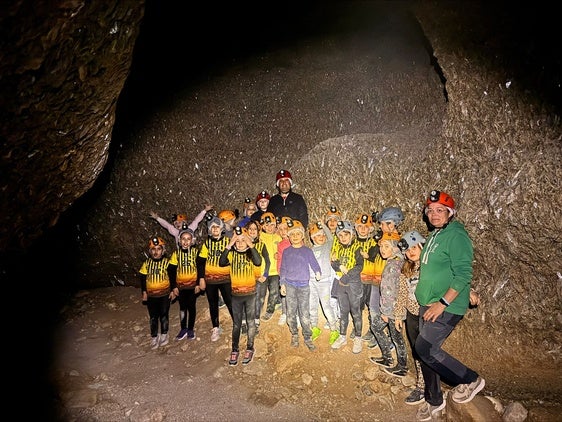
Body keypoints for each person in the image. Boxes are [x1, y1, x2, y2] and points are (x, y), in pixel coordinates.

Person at [414, 190, 485, 422]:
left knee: (425, 348)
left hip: (445, 306)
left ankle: (470, 379)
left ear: (450, 213)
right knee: (425, 353)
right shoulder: (435, 234)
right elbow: (447, 269)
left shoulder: (456, 235)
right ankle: (434, 401)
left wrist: (443, 303)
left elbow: (463, 271)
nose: (434, 214)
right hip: (428, 302)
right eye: (431, 210)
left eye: (440, 210)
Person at [219, 226, 262, 365]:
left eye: (244, 240)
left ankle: (250, 347)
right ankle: (235, 349)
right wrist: (230, 244)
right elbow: (221, 262)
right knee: (236, 324)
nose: (241, 243)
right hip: (236, 295)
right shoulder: (232, 255)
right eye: (238, 241)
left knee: (250, 322)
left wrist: (250, 244)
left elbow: (258, 261)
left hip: (250, 294)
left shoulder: (251, 254)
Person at [368, 232, 408, 378]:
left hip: (393, 310)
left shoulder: (393, 265)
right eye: (381, 246)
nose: (382, 249)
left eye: (386, 246)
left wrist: (385, 312)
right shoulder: (396, 261)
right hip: (391, 308)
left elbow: (390, 292)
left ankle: (402, 367)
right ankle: (387, 357)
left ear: (395, 247)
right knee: (376, 327)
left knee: (397, 338)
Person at [394, 230, 426, 404]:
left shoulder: (430, 267)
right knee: (416, 350)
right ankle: (421, 386)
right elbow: (402, 294)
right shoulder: (406, 270)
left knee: (426, 351)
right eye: (407, 250)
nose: (411, 252)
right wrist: (399, 315)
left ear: (422, 246)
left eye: (414, 247)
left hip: (427, 314)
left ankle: (428, 386)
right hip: (412, 316)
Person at [279, 219, 321, 351]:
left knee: (304, 313)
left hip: (303, 286)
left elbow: (314, 263)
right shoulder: (286, 251)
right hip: (290, 285)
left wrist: (318, 271)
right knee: (291, 312)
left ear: (303, 236)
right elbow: (283, 268)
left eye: (298, 234)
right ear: (288, 237)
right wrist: (282, 284)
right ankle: (294, 334)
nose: (295, 237)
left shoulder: (307, 251)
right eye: (292, 234)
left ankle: (307, 337)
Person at [330, 220, 364, 353]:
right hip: (341, 284)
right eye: (340, 236)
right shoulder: (337, 247)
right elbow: (333, 263)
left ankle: (358, 337)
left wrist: (347, 275)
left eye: (346, 235)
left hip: (353, 284)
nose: (343, 238)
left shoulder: (357, 248)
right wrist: (338, 266)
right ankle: (342, 335)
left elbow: (360, 266)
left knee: (356, 312)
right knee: (343, 311)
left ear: (352, 234)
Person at [197, 216, 233, 342]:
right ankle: (216, 327)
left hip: (225, 278)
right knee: (213, 304)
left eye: (217, 227)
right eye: (212, 227)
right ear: (209, 230)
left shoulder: (228, 241)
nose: (215, 229)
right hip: (211, 279)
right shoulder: (207, 243)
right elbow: (201, 261)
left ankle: (237, 323)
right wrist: (201, 278)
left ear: (222, 228)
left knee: (229, 301)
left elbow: (234, 259)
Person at [139, 236, 178, 349]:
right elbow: (142, 277)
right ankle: (154, 336)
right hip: (151, 296)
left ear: (163, 250)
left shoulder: (167, 262)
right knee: (153, 317)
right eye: (153, 249)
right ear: (150, 251)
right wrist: (144, 292)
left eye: (158, 249)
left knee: (164, 315)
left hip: (164, 294)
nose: (156, 252)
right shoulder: (147, 263)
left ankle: (165, 334)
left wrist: (172, 290)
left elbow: (172, 277)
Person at [308, 221, 339, 345]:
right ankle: (314, 327)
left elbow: (331, 237)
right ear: (312, 238)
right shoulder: (309, 250)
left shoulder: (327, 246)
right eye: (317, 235)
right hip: (311, 282)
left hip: (324, 282)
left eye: (322, 235)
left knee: (326, 306)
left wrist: (323, 225)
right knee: (312, 305)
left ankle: (334, 329)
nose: (321, 237)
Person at [170, 226, 202, 341]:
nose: (185, 241)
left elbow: (200, 268)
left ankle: (191, 329)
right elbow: (172, 271)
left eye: (188, 239)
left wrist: (198, 283)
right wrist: (173, 286)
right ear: (179, 241)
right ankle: (183, 328)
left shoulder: (196, 253)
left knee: (191, 307)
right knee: (182, 308)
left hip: (192, 286)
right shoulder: (176, 254)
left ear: (192, 241)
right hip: (181, 287)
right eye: (183, 239)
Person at [354, 213, 380, 347]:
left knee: (371, 306)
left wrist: (368, 255)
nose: (363, 229)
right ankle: (357, 327)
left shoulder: (374, 242)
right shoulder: (353, 241)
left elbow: (374, 256)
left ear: (370, 228)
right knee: (357, 305)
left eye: (366, 226)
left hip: (370, 280)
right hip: (357, 280)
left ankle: (372, 330)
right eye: (360, 226)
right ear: (356, 228)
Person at [244, 219, 270, 334]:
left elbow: (268, 261)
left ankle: (256, 321)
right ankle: (245, 322)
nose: (253, 231)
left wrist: (265, 274)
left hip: (260, 277)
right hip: (246, 278)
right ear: (246, 230)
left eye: (255, 229)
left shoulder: (261, 245)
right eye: (250, 229)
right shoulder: (241, 244)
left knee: (259, 299)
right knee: (246, 300)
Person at [256, 212, 282, 323]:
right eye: (266, 225)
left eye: (271, 224)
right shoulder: (259, 237)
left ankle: (270, 310)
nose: (269, 228)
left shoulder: (278, 237)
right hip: (263, 271)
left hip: (275, 271)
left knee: (274, 291)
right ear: (262, 226)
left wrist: (279, 255)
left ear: (275, 225)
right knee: (260, 294)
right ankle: (256, 313)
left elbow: (283, 251)